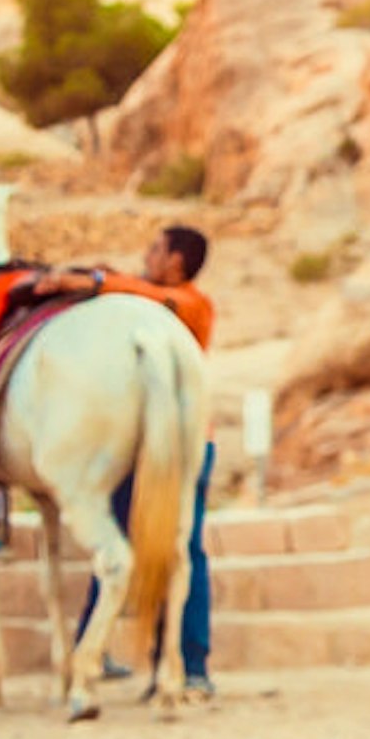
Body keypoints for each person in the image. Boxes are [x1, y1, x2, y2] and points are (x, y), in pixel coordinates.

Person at [106, 227, 219, 693]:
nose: (144, 255)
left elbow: (144, 295)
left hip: (187, 443)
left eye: (153, 248)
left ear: (174, 262)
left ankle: (191, 666)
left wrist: (98, 282)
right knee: (123, 541)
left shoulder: (194, 305)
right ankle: (144, 657)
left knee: (183, 547)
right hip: (141, 445)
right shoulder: (142, 299)